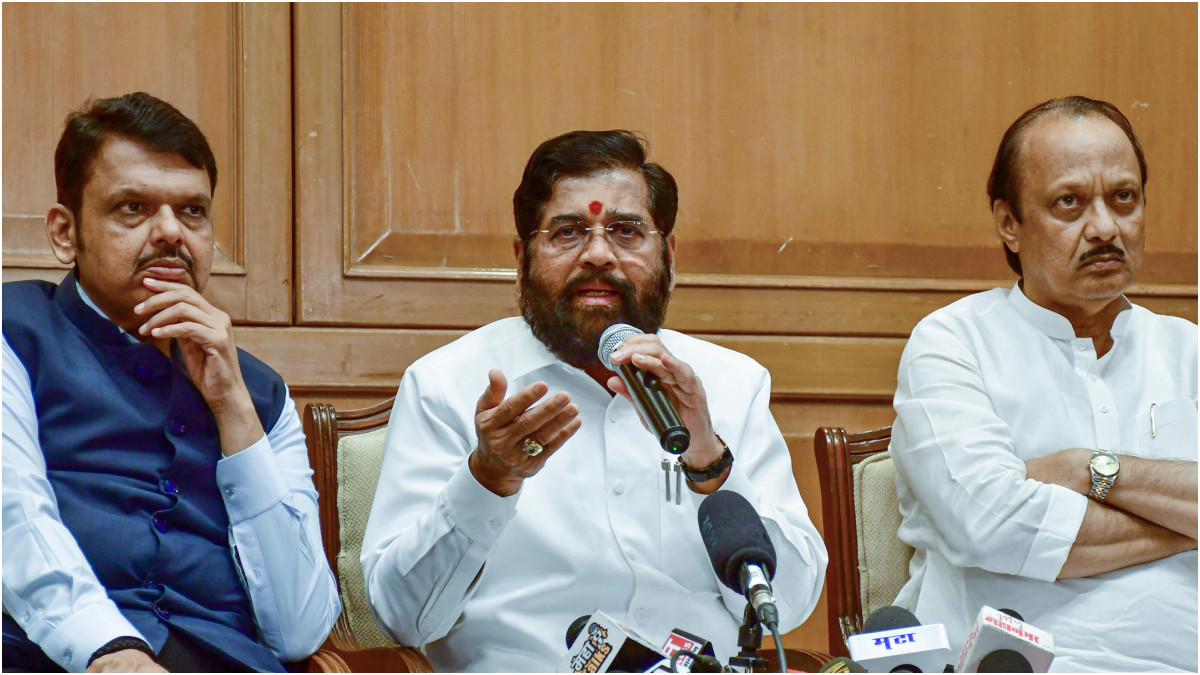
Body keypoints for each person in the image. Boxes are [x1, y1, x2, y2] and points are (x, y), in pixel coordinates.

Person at [361, 130, 827, 671]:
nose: (600, 254)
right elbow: (403, 618)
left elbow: (787, 605)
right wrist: (487, 480)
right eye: (568, 232)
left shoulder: (731, 385)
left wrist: (707, 459)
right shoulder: (447, 385)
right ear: (522, 257)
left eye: (626, 231)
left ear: (669, 255)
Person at [2, 92, 340, 673]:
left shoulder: (261, 393)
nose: (169, 233)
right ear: (65, 232)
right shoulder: (14, 333)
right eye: (132, 208)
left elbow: (300, 628)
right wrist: (110, 650)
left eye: (192, 211)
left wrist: (233, 409)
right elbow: (15, 520)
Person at [889, 96, 1197, 671]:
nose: (1104, 228)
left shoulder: (1188, 349)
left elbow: (1026, 521)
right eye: (1069, 203)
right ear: (1009, 223)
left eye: (1123, 198)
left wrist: (1088, 469)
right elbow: (993, 527)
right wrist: (1186, 520)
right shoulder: (953, 343)